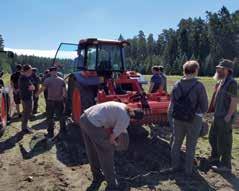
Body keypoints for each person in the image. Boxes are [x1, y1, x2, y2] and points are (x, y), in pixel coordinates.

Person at [79, 101, 144, 190]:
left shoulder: (123, 106)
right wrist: (115, 145)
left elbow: (108, 122)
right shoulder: (125, 119)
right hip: (93, 124)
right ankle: (112, 183)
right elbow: (111, 138)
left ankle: (97, 176)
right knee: (106, 152)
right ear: (135, 120)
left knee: (92, 149)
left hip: (84, 118)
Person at [166, 60, 208, 177]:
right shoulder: (199, 86)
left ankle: (175, 166)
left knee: (176, 143)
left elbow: (172, 102)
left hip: (178, 118)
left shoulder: (177, 84)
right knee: (191, 145)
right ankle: (188, 170)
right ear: (195, 71)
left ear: (184, 71)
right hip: (194, 119)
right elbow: (205, 106)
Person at [208, 59, 238, 172]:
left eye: (220, 69)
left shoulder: (232, 83)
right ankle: (215, 158)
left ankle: (226, 166)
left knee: (225, 141)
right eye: (217, 68)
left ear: (228, 70)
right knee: (213, 138)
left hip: (225, 117)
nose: (218, 70)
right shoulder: (221, 82)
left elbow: (234, 100)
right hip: (217, 115)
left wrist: (229, 115)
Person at [37, 67, 66, 138]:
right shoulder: (62, 80)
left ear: (50, 72)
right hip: (59, 101)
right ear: (56, 71)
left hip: (50, 101)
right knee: (61, 116)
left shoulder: (47, 80)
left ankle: (50, 132)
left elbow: (42, 89)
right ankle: (63, 130)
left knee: (50, 117)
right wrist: (63, 100)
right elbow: (64, 93)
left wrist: (36, 94)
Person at [19, 64, 35, 134]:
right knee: (26, 113)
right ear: (27, 70)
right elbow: (32, 88)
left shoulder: (24, 77)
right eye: (30, 70)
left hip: (25, 98)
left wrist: (32, 87)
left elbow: (32, 87)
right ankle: (24, 128)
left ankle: (25, 126)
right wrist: (32, 87)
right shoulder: (24, 78)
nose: (31, 71)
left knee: (26, 113)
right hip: (26, 98)